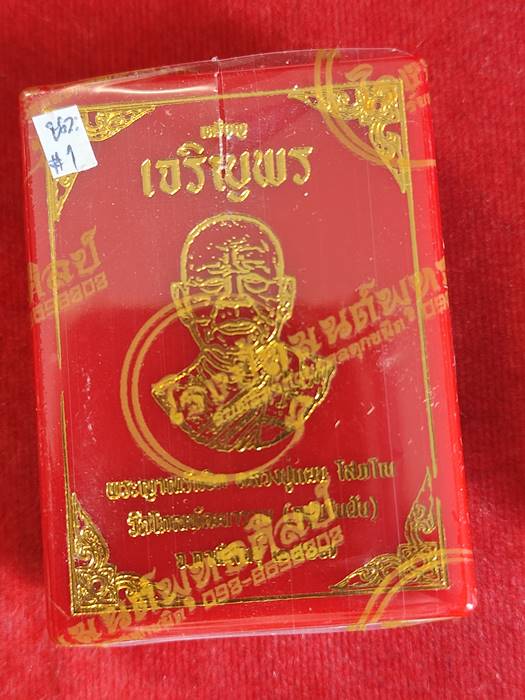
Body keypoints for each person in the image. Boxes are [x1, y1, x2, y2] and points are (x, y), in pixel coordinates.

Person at [152, 213, 334, 452]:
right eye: (212, 285)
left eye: (255, 282)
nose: (235, 302)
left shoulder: (308, 378)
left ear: (285, 296)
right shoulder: (178, 399)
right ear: (182, 301)